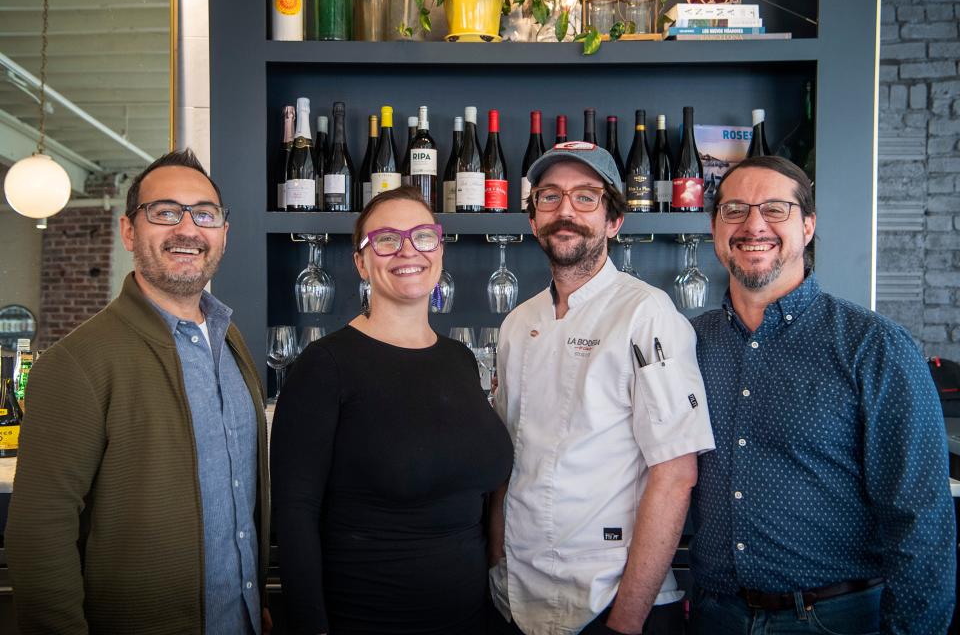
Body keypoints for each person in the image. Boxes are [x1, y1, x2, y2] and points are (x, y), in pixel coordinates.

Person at [5, 149, 271, 634]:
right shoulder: (76, 363)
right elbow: (39, 535)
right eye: (165, 212)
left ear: (223, 235)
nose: (187, 229)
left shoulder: (230, 340)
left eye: (204, 214)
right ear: (129, 231)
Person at [689, 155, 956, 634]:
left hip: (834, 619)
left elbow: (920, 519)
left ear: (807, 226)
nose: (754, 225)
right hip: (715, 614)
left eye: (775, 209)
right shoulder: (689, 342)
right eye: (735, 210)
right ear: (714, 228)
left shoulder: (874, 346)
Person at [489, 142, 715, 635]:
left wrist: (626, 623)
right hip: (518, 595)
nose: (565, 210)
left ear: (615, 220)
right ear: (532, 220)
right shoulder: (516, 323)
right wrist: (496, 562)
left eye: (586, 197)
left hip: (611, 600)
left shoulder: (646, 314)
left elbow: (676, 474)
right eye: (549, 197)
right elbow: (505, 462)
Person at [270, 185, 514, 635]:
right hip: (368, 617)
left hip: (472, 617)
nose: (408, 250)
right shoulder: (325, 365)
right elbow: (295, 512)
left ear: (439, 251)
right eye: (386, 239)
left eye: (423, 236)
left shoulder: (460, 359)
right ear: (361, 261)